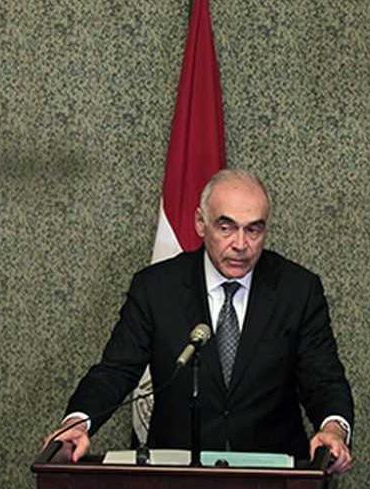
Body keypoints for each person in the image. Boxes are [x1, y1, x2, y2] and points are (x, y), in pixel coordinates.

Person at [46, 169, 354, 473]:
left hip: (270, 472)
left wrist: (334, 429)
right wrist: (78, 422)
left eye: (253, 230)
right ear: (200, 223)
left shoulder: (297, 289)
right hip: (178, 471)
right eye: (226, 228)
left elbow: (323, 379)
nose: (240, 244)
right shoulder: (156, 288)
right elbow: (116, 370)